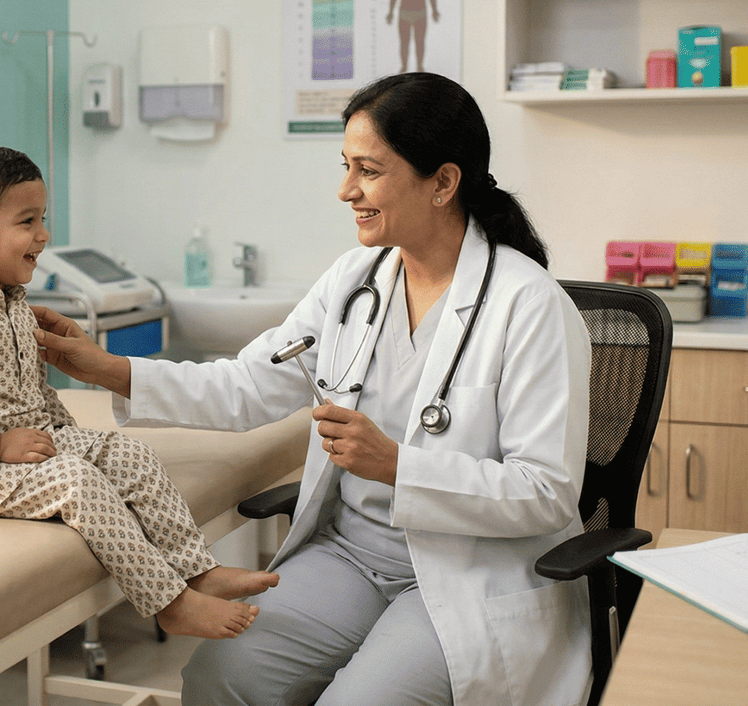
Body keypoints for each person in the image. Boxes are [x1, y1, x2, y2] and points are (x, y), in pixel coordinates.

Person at [33, 72, 593, 705]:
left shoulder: (530, 305)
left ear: (442, 182)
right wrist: (106, 367)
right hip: (349, 555)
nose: (346, 190)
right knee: (219, 678)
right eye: (346, 166)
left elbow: (546, 492)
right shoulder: (356, 281)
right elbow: (249, 384)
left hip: (469, 568)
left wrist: (397, 465)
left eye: (368, 171)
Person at [0, 140, 277, 639]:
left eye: (42, 219)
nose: (44, 234)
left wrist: (71, 438)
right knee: (75, 480)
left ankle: (197, 571)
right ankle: (169, 603)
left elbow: (34, 390)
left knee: (127, 453)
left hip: (27, 448)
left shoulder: (12, 304)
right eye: (27, 221)